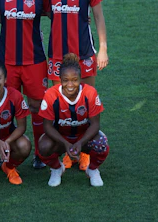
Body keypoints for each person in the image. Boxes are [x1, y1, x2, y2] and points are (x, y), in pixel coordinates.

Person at [46, 0, 109, 170]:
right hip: (56, 56)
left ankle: (85, 151)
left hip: (84, 53)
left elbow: (98, 17)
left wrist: (102, 48)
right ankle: (66, 150)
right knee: (60, 104)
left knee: (86, 100)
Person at [0, 0, 49, 169]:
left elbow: (49, 12)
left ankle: (40, 153)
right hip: (6, 61)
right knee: (5, 108)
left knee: (36, 105)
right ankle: (6, 155)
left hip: (34, 59)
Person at [38, 53, 109, 187]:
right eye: (66, 80)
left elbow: (95, 124)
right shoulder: (51, 95)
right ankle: (56, 168)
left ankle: (93, 169)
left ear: (80, 78)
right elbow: (47, 126)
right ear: (60, 79)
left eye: (74, 79)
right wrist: (65, 144)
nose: (70, 84)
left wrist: (80, 143)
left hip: (83, 136)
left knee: (101, 143)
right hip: (61, 137)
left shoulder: (90, 93)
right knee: (43, 146)